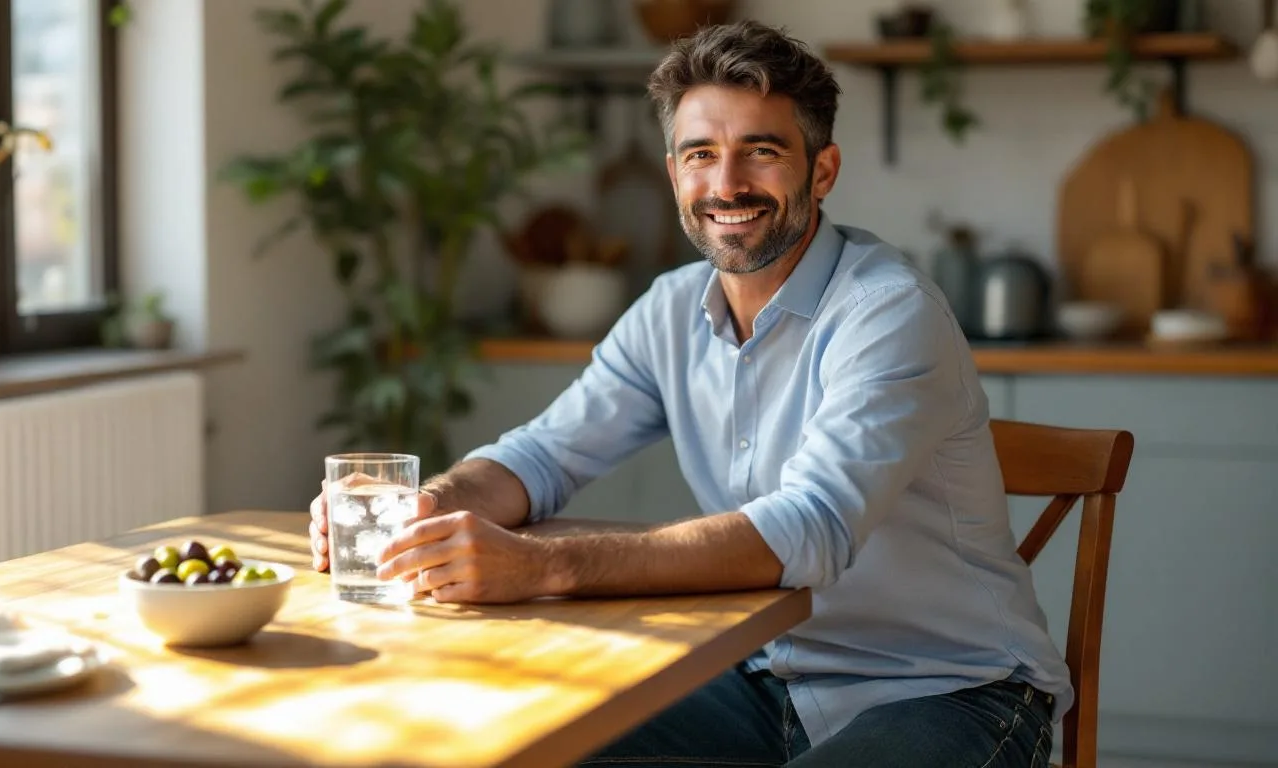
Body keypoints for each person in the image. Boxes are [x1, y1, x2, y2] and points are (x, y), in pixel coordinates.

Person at [309, 19, 1068, 768]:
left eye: (761, 153)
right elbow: (540, 457)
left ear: (823, 170)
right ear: (674, 172)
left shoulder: (889, 312)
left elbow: (809, 529)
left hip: (948, 692)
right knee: (518, 746)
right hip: (764, 679)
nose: (726, 184)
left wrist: (543, 568)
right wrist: (428, 510)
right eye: (701, 154)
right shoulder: (670, 310)